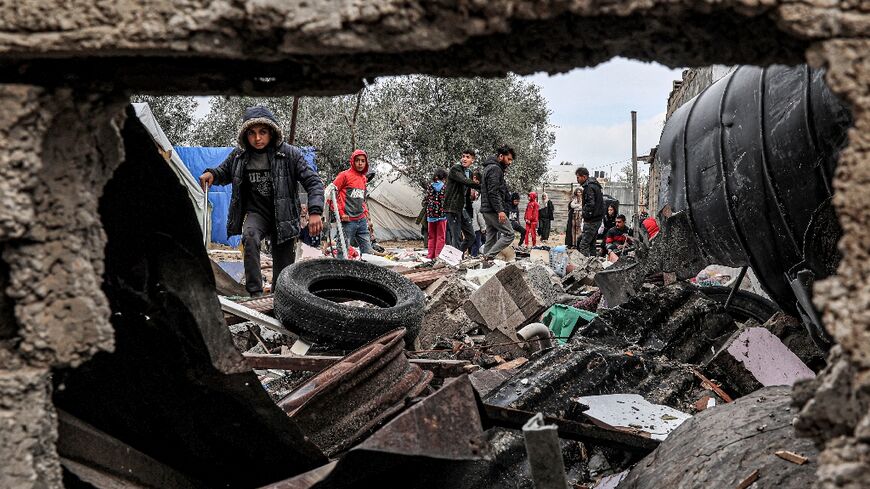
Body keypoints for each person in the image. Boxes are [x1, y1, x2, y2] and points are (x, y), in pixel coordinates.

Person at [200, 106, 324, 297]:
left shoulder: (290, 154)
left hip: (283, 217)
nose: (257, 138)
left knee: (283, 276)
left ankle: (279, 298)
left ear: (272, 132)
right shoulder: (239, 156)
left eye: (262, 132)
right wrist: (212, 174)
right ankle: (255, 293)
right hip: (257, 214)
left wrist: (315, 211)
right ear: (245, 135)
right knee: (249, 236)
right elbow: (223, 172)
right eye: (252, 133)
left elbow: (313, 181)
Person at [332, 149, 372, 258]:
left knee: (368, 252)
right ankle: (341, 274)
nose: (360, 163)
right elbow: (330, 194)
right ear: (352, 161)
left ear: (366, 163)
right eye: (357, 160)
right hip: (347, 221)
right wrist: (340, 213)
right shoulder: (344, 175)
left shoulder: (363, 178)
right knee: (343, 252)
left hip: (361, 220)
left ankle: (366, 274)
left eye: (363, 161)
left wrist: (367, 217)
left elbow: (362, 199)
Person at [480, 145, 516, 259]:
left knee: (491, 237)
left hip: (487, 209)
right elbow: (493, 192)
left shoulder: (489, 168)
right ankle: (489, 256)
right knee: (510, 234)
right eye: (508, 159)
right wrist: (500, 210)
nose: (510, 162)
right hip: (493, 210)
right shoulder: (495, 169)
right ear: (501, 156)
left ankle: (485, 265)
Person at [444, 150, 480, 253]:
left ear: (472, 160)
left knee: (471, 236)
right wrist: (480, 186)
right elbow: (464, 181)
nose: (464, 159)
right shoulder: (456, 169)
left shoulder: (469, 173)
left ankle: (458, 255)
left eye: (467, 157)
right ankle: (456, 261)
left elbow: (468, 191)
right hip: (452, 207)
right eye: (463, 156)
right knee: (456, 237)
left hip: (463, 209)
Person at [575, 167, 605, 256]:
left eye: (578, 177)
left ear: (584, 177)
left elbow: (590, 204)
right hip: (597, 219)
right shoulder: (595, 185)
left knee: (583, 244)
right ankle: (593, 263)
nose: (577, 180)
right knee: (592, 244)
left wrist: (584, 213)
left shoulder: (589, 187)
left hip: (592, 220)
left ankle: (584, 266)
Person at [425, 168, 449, 259]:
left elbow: (426, 200)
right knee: (440, 237)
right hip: (441, 215)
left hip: (430, 215)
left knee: (431, 236)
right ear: (444, 177)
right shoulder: (445, 187)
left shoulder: (429, 186)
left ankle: (430, 255)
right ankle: (438, 256)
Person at [470, 189, 486, 257]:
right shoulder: (478, 204)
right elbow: (480, 217)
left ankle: (471, 255)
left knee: (471, 243)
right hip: (476, 227)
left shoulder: (471, 203)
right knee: (476, 244)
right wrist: (483, 227)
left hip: (469, 227)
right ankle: (474, 256)